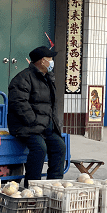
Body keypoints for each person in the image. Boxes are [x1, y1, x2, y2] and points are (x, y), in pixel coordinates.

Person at [7, 46, 66, 187]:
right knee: (39, 148)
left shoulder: (47, 78)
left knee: (60, 147)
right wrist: (33, 121)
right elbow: (19, 103)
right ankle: (32, 185)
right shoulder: (23, 78)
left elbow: (50, 105)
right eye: (50, 59)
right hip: (26, 126)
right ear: (42, 61)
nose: (52, 62)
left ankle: (54, 185)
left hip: (43, 126)